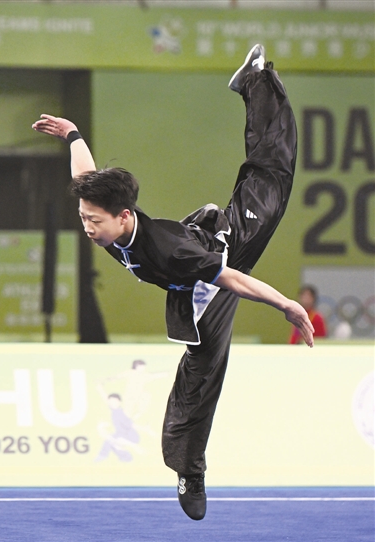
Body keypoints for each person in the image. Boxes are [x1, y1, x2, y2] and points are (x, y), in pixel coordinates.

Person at [32, 44, 314, 521]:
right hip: (194, 270)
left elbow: (233, 279)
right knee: (198, 379)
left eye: (93, 221)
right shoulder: (106, 215)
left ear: (124, 217)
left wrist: (286, 304)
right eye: (83, 218)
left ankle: (257, 79)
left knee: (272, 179)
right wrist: (73, 133)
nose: (87, 227)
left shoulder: (169, 251)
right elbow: (85, 175)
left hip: (223, 255)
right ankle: (190, 468)